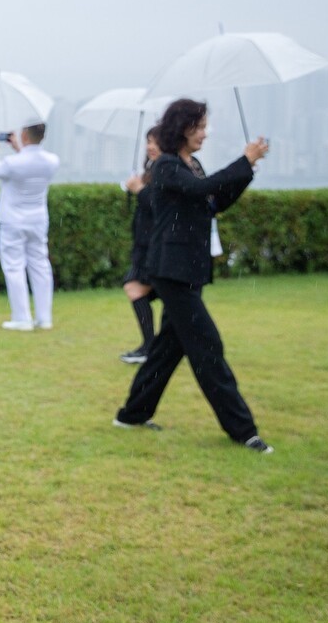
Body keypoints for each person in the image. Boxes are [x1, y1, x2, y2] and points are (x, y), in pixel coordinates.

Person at [113, 98, 275, 454]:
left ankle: (131, 415)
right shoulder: (167, 166)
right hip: (171, 270)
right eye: (199, 127)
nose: (204, 133)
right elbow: (202, 190)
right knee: (208, 347)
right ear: (182, 129)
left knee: (168, 349)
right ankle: (243, 430)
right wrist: (244, 160)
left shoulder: (192, 164)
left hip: (190, 269)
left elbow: (213, 202)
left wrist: (246, 172)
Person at [0, 123, 60, 331]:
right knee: (40, 266)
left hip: (13, 220)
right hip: (37, 219)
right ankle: (44, 317)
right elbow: (29, 163)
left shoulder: (12, 162)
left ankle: (22, 317)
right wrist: (19, 148)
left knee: (14, 267)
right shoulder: (52, 161)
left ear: (25, 135)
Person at [119, 128, 161, 364]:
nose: (150, 146)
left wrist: (140, 190)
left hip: (156, 247)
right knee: (135, 288)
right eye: (148, 142)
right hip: (145, 247)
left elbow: (158, 206)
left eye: (155, 142)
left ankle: (151, 347)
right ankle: (151, 346)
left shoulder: (167, 171)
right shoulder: (152, 171)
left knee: (135, 288)